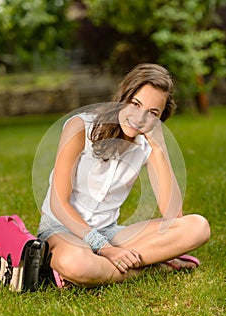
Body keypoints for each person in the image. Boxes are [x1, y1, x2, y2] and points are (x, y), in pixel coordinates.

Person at [37, 63, 210, 287]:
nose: (139, 118)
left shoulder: (146, 143)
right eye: (136, 104)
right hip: (63, 229)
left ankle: (102, 270)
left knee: (198, 227)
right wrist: (105, 248)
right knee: (75, 263)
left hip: (111, 232)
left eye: (152, 113)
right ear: (124, 97)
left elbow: (173, 215)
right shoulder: (80, 127)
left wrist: (159, 149)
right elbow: (59, 205)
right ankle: (151, 267)